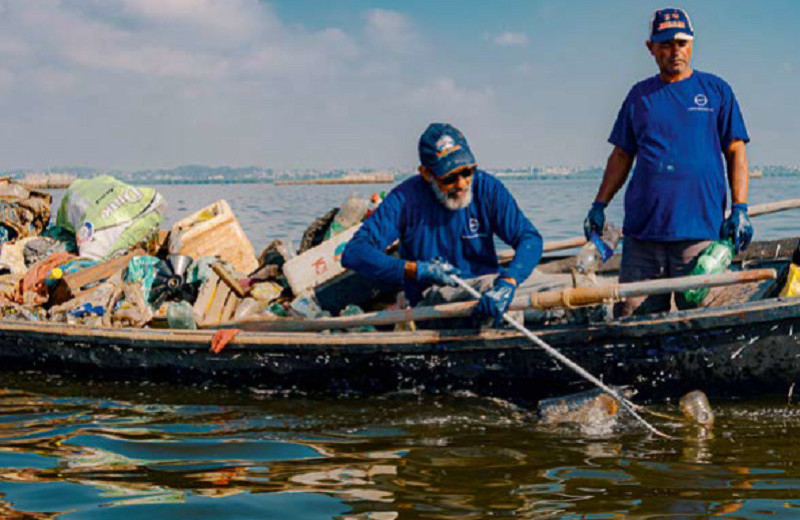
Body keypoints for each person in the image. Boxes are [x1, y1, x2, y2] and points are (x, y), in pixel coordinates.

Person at [583, 7, 752, 317]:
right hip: (643, 236)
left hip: (699, 232)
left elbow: (736, 151)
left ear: (692, 45)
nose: (675, 52)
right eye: (666, 44)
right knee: (633, 319)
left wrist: (740, 208)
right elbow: (621, 154)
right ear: (651, 48)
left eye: (682, 43)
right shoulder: (639, 96)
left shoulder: (716, 91)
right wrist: (599, 204)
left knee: (699, 315)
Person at [341, 123, 543, 327]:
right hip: (434, 298)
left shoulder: (486, 188)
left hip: (488, 283)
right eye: (450, 178)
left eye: (467, 172)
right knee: (494, 294)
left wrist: (509, 281)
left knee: (561, 283)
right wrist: (417, 269)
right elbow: (355, 252)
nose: (462, 184)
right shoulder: (405, 200)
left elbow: (529, 238)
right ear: (426, 173)